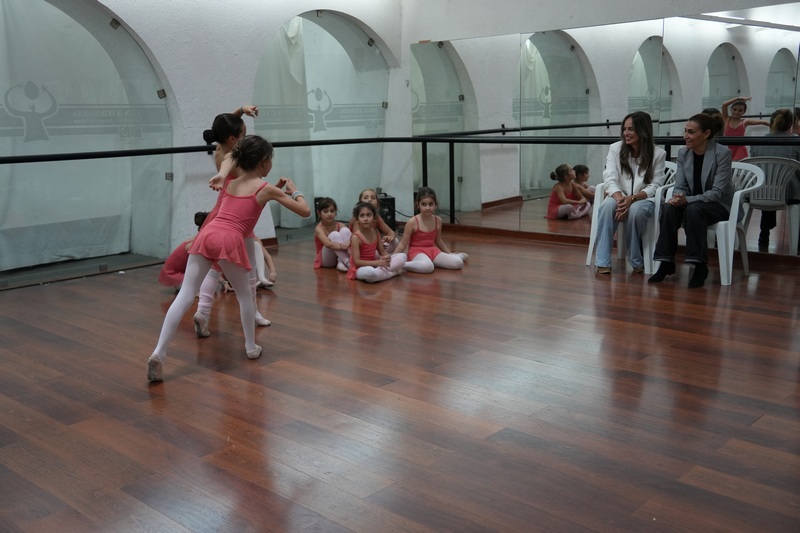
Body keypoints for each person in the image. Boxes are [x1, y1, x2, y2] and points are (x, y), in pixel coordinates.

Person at [147, 135, 310, 382]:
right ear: (264, 162)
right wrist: (294, 190)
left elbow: (246, 198)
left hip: (207, 234)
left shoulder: (231, 183)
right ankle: (250, 347)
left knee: (186, 295)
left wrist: (229, 175)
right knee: (245, 295)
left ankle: (159, 352)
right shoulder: (266, 189)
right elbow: (304, 211)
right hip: (229, 239)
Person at [192, 109, 273, 337]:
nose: (245, 137)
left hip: (221, 211)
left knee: (218, 266)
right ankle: (251, 313)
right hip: (235, 215)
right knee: (239, 268)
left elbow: (225, 123)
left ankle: (203, 310)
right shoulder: (234, 159)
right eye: (243, 134)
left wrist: (240, 110)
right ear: (232, 138)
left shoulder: (220, 148)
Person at [648, 112, 733, 289]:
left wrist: (687, 200)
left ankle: (700, 266)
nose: (685, 136)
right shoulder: (683, 153)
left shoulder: (722, 153)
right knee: (669, 208)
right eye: (685, 131)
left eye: (691, 132)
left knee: (694, 210)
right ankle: (666, 262)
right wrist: (678, 197)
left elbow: (716, 193)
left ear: (706, 133)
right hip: (693, 203)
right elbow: (680, 185)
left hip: (719, 205)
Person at [593, 111, 667, 274]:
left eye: (631, 129)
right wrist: (622, 200)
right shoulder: (615, 149)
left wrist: (632, 199)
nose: (626, 133)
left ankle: (635, 258)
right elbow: (609, 178)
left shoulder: (658, 154)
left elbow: (655, 186)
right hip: (618, 195)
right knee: (606, 208)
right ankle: (602, 262)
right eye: (625, 129)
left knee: (635, 211)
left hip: (644, 198)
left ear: (643, 130)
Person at [749, 107, 800, 246]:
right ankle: (797, 241)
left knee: (769, 183)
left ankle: (764, 232)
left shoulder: (757, 142)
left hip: (760, 191)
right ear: (790, 125)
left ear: (771, 123)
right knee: (783, 183)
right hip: (788, 193)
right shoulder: (796, 142)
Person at [393, 186, 468, 273]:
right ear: (418, 205)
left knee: (458, 263)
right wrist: (393, 259)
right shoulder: (413, 222)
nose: (427, 208)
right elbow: (402, 244)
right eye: (424, 204)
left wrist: (449, 253)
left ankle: (455, 257)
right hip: (416, 252)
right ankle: (402, 265)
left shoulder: (438, 220)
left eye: (431, 204)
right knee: (428, 267)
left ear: (435, 204)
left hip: (432, 250)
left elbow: (438, 240)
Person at [347, 202, 406, 282]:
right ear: (357, 220)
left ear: (374, 218)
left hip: (374, 265)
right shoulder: (356, 237)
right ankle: (393, 273)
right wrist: (378, 263)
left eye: (368, 215)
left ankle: (380, 273)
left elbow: (382, 252)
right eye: (362, 216)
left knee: (402, 256)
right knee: (371, 273)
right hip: (359, 268)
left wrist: (387, 257)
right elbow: (357, 262)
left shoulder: (375, 232)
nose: (365, 219)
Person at [158, 211, 209, 290]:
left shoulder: (198, 239)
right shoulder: (195, 243)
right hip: (173, 274)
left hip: (182, 273)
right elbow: (207, 265)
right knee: (205, 288)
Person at [349, 188, 398, 253]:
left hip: (373, 245)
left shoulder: (377, 217)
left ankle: (381, 255)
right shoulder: (357, 218)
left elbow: (390, 232)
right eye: (365, 198)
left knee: (395, 241)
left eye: (373, 198)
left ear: (377, 203)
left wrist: (389, 237)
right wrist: (377, 245)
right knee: (376, 252)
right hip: (359, 247)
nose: (369, 200)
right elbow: (359, 238)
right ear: (360, 203)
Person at [721, 96, 769, 161]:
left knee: (738, 165)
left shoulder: (744, 122)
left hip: (739, 150)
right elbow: (724, 105)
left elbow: (764, 122)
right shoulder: (726, 119)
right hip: (727, 148)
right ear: (731, 110)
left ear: (744, 112)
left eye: (740, 110)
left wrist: (774, 126)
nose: (736, 112)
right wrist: (738, 98)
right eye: (734, 109)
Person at [313, 197, 351, 270]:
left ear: (335, 212)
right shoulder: (319, 228)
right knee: (334, 234)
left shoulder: (340, 225)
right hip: (326, 260)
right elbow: (328, 244)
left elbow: (353, 238)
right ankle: (347, 262)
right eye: (325, 211)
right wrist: (342, 246)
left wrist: (348, 242)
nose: (329, 214)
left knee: (345, 230)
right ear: (319, 213)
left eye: (332, 211)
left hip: (339, 257)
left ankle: (341, 262)